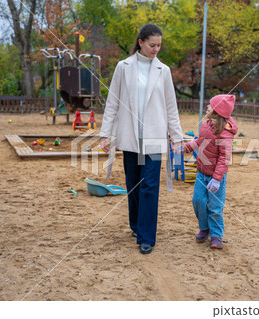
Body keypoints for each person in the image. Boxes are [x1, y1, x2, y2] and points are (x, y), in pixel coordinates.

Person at [99, 24, 183, 254]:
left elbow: (170, 107)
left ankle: (147, 237)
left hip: (155, 138)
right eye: (152, 45)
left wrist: (177, 137)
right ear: (140, 42)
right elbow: (113, 102)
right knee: (134, 186)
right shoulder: (123, 68)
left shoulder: (163, 71)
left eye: (159, 45)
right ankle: (136, 225)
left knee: (150, 186)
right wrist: (106, 133)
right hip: (130, 138)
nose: (156, 49)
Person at [182, 95, 237, 249]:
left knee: (215, 207)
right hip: (201, 173)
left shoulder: (226, 133)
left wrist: (217, 179)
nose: (207, 106)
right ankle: (204, 227)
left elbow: (224, 158)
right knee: (198, 201)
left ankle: (216, 235)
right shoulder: (206, 124)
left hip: (216, 177)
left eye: (210, 105)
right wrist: (186, 147)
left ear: (217, 111)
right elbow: (200, 141)